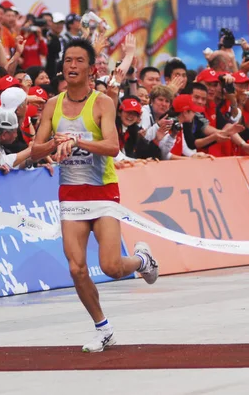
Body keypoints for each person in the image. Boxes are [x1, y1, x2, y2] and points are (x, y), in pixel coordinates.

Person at [31, 39, 158, 353]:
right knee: (76, 268)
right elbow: (35, 150)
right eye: (68, 61)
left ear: (91, 68)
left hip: (102, 192)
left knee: (112, 267)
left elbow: (113, 147)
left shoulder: (102, 103)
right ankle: (104, 329)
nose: (72, 66)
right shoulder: (52, 105)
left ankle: (143, 260)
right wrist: (54, 146)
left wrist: (77, 141)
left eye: (78, 61)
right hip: (71, 195)